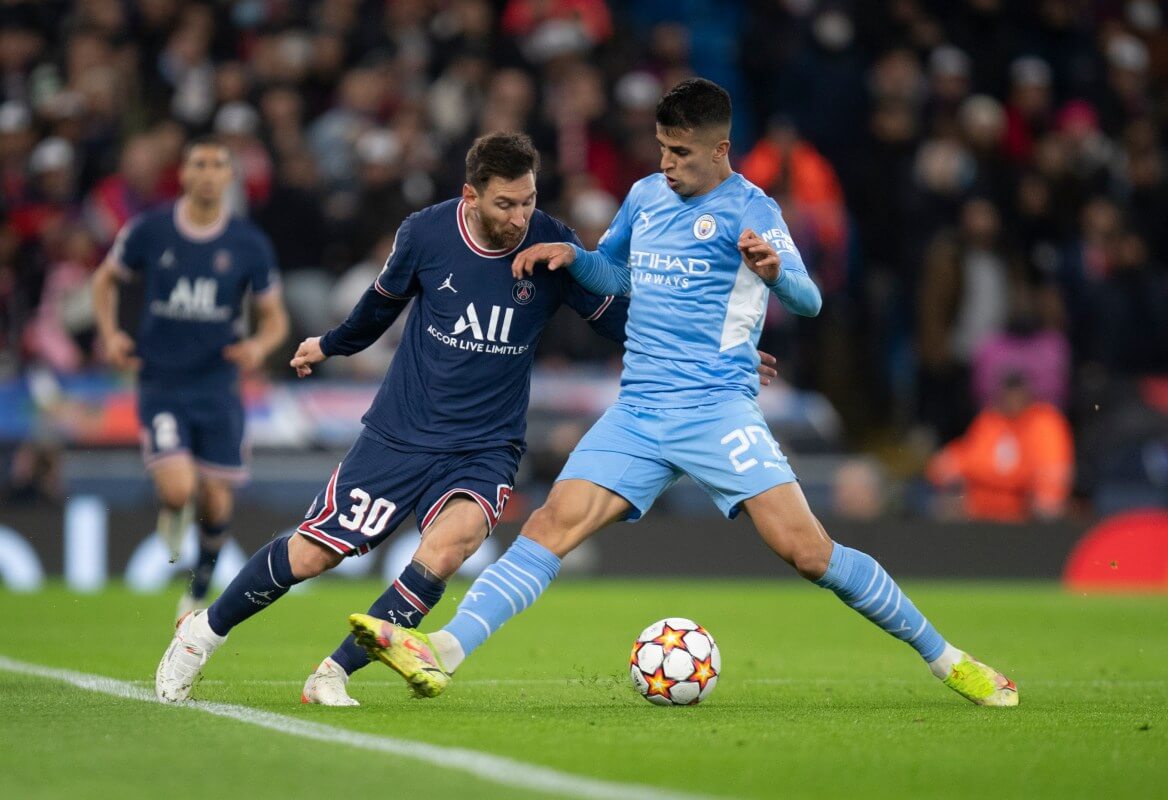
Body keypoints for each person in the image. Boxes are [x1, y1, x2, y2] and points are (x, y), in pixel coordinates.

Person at [354, 79, 1019, 708]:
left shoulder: (754, 209)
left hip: (716, 410)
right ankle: (443, 649)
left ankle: (947, 659)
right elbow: (613, 271)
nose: (667, 163)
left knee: (809, 552)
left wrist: (775, 270)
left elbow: (811, 300)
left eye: (681, 152)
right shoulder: (645, 197)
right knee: (550, 526)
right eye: (661, 148)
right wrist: (572, 259)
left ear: (719, 149)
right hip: (639, 411)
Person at [152, 132, 778, 705]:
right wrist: (332, 343)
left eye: (529, 201)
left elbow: (621, 321)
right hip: (401, 434)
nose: (520, 218)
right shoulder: (425, 233)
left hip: (486, 445)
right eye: (506, 204)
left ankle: (332, 674)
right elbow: (381, 303)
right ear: (471, 195)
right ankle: (201, 632)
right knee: (314, 555)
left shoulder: (551, 242)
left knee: (448, 550)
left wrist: (722, 353)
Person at [92, 136, 289, 620]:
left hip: (218, 384)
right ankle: (171, 504)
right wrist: (111, 333)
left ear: (229, 177)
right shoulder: (150, 230)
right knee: (181, 488)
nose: (207, 172)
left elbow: (275, 318)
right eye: (198, 163)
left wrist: (258, 347)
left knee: (218, 496)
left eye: (217, 165)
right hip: (161, 379)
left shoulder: (248, 243)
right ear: (182, 173)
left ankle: (198, 590)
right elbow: (104, 280)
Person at [927, 371, 1074, 522]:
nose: (1013, 400)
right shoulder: (989, 421)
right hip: (982, 503)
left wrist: (1002, 477)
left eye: (1017, 394)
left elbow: (1051, 474)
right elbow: (956, 461)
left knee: (1048, 506)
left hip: (1025, 506)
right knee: (940, 502)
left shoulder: (1044, 421)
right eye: (1008, 394)